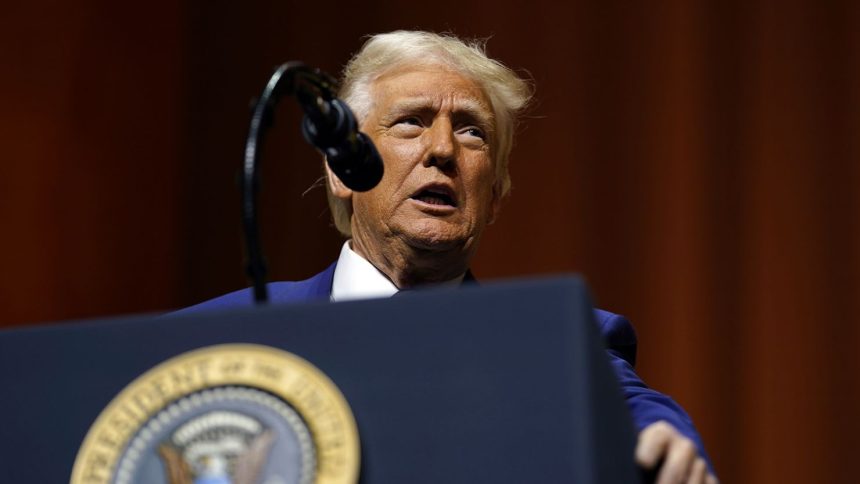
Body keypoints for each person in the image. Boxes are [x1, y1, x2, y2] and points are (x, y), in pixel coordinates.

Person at [180, 30, 718, 483]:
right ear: (343, 168)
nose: (442, 150)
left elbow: (633, 410)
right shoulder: (213, 336)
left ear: (496, 196)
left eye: (471, 131)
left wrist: (657, 440)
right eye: (411, 121)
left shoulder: (554, 342)